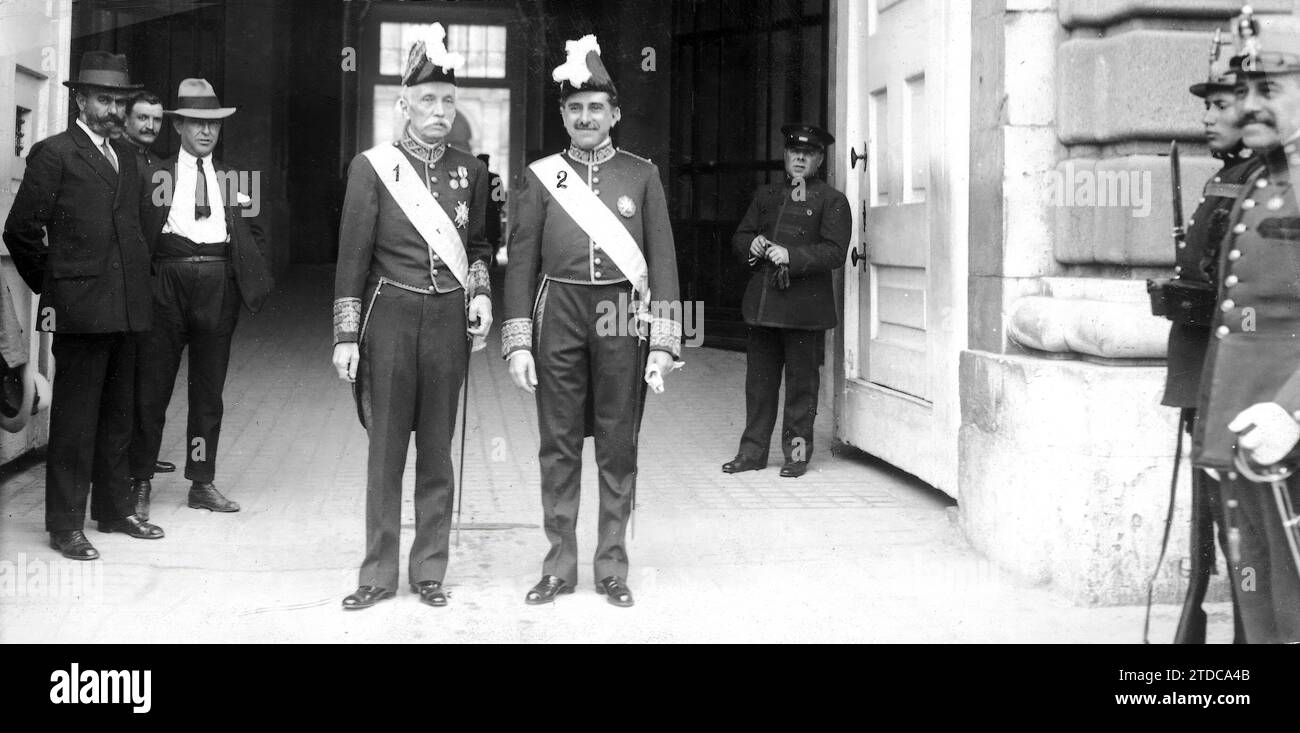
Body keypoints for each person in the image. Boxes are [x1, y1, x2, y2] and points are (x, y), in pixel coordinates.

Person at [503, 35, 681, 608]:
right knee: (557, 442)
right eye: (575, 108)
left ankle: (612, 566)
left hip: (619, 313)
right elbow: (522, 262)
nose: (586, 117)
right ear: (563, 115)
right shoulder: (540, 177)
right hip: (557, 310)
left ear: (615, 115)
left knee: (616, 440)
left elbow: (663, 260)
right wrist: (517, 340)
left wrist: (662, 341)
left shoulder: (642, 175)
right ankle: (559, 564)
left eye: (596, 108)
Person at [332, 28, 493, 610]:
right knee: (386, 451)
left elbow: (476, 246)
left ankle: (429, 568)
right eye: (428, 100)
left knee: (437, 451)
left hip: (448, 321)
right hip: (389, 319)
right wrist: (346, 335)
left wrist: (480, 295)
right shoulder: (372, 168)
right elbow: (352, 258)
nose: (440, 112)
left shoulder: (470, 173)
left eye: (448, 101)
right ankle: (376, 573)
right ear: (403, 105)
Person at [2, 51, 162, 560]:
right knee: (74, 421)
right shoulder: (55, 153)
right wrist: (58, 289)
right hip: (80, 312)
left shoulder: (129, 158)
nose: (114, 109)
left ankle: (114, 511)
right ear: (80, 99)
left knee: (119, 415)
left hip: (128, 310)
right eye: (104, 99)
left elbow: (137, 229)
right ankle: (65, 523)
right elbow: (21, 231)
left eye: (120, 100)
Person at [1191, 8, 1300, 643]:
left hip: (1284, 435)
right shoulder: (1263, 176)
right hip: (1243, 433)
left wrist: (1292, 412)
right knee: (1257, 604)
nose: (1248, 106)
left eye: (1270, 89)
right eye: (1247, 89)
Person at [127, 78, 274, 521]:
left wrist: (240, 279)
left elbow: (255, 233)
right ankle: (140, 482)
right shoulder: (157, 175)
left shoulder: (234, 178)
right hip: (167, 283)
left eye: (213, 124)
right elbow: (136, 232)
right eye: (196, 123)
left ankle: (201, 481)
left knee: (208, 391)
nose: (206, 132)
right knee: (152, 388)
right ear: (179, 128)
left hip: (216, 285)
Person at [1158, 34, 1259, 645]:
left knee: (1240, 520)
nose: (1206, 116)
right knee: (1209, 515)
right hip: (1202, 367)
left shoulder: (1264, 185)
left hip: (1237, 373)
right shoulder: (1228, 178)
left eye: (1221, 105)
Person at [721, 124, 851, 478]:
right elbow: (741, 235)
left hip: (804, 309)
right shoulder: (766, 195)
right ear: (785, 155)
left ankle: (796, 455)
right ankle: (752, 454)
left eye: (807, 154)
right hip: (764, 307)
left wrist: (790, 254)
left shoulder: (832, 200)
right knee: (759, 386)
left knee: (801, 387)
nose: (799, 159)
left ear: (819, 159)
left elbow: (835, 252)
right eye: (794, 152)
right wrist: (753, 245)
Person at [120, 89, 177, 478]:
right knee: (123, 380)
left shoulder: (159, 167)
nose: (150, 126)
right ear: (126, 119)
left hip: (152, 288)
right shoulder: (118, 160)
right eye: (142, 117)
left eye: (156, 119)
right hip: (122, 286)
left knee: (147, 378)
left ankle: (141, 452)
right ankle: (122, 458)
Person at [477, 153, 505, 264]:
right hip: (489, 212)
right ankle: (491, 258)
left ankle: (491, 257)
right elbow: (501, 199)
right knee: (492, 237)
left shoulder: (493, 178)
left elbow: (500, 197)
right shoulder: (493, 178)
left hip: (486, 212)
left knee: (491, 237)